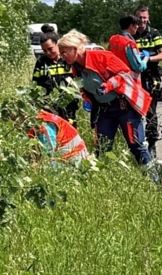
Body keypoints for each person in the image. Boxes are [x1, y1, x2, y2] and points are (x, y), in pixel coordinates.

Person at [58, 29, 155, 173]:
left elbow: (124, 73)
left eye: (65, 52)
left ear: (75, 48)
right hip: (104, 110)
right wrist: (86, 99)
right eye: (61, 53)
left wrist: (108, 85)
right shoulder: (76, 68)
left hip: (124, 107)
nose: (62, 56)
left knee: (136, 145)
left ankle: (153, 178)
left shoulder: (101, 57)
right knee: (102, 148)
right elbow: (84, 88)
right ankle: (100, 180)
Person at [135, 6, 162, 157]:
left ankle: (152, 145)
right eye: (139, 17)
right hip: (134, 78)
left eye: (144, 17)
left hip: (150, 78)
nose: (142, 21)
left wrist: (148, 59)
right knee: (134, 112)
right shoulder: (131, 34)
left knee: (150, 113)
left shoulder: (154, 33)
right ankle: (136, 144)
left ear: (148, 18)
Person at [32, 32, 78, 124]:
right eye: (44, 50)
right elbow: (34, 85)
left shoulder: (69, 60)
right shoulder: (41, 62)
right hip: (48, 109)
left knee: (69, 136)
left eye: (50, 49)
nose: (48, 53)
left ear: (58, 44)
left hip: (68, 109)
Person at [108, 13, 148, 80]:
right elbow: (139, 67)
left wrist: (137, 55)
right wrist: (146, 58)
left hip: (114, 78)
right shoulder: (129, 43)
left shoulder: (113, 39)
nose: (137, 27)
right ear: (131, 26)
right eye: (136, 25)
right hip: (128, 81)